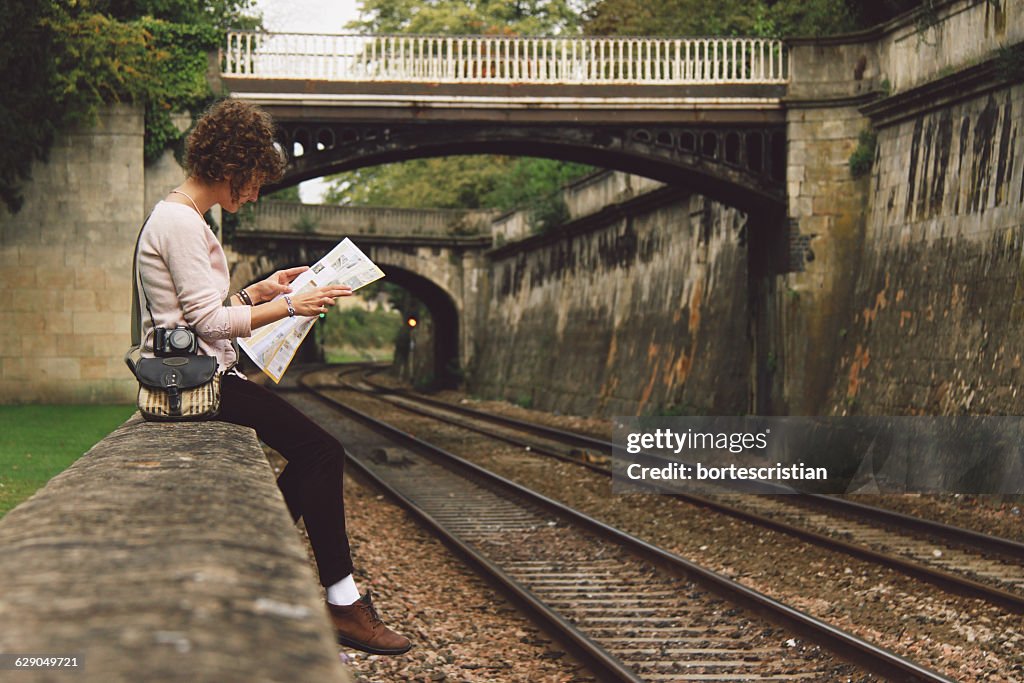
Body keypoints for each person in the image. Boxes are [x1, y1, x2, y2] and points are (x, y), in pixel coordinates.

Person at [134, 98, 411, 655]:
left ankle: (270, 570)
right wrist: (291, 307)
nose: (256, 194)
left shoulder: (182, 216)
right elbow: (209, 322)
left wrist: (258, 293)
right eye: (255, 181)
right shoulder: (182, 223)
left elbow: (200, 313)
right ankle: (342, 604)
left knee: (316, 451)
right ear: (232, 168)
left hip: (197, 371)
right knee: (322, 451)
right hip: (198, 383)